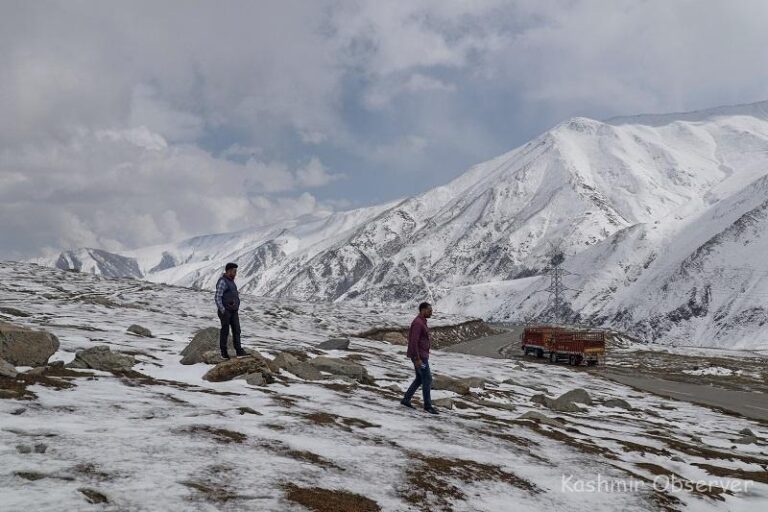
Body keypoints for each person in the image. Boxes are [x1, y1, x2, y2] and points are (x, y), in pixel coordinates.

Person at [401, 302, 438, 414]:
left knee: (419, 379)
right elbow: (413, 341)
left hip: (421, 355)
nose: (431, 313)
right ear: (423, 310)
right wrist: (417, 358)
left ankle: (406, 400)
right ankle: (428, 406)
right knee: (427, 379)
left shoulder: (422, 322)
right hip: (420, 357)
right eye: (429, 310)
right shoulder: (418, 323)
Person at [215, 262, 245, 359]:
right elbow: (217, 297)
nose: (235, 273)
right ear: (228, 271)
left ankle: (239, 350)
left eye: (235, 271)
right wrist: (223, 310)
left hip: (233, 311)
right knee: (225, 331)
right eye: (234, 271)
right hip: (226, 311)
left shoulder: (231, 282)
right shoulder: (223, 281)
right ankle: (224, 353)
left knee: (237, 330)